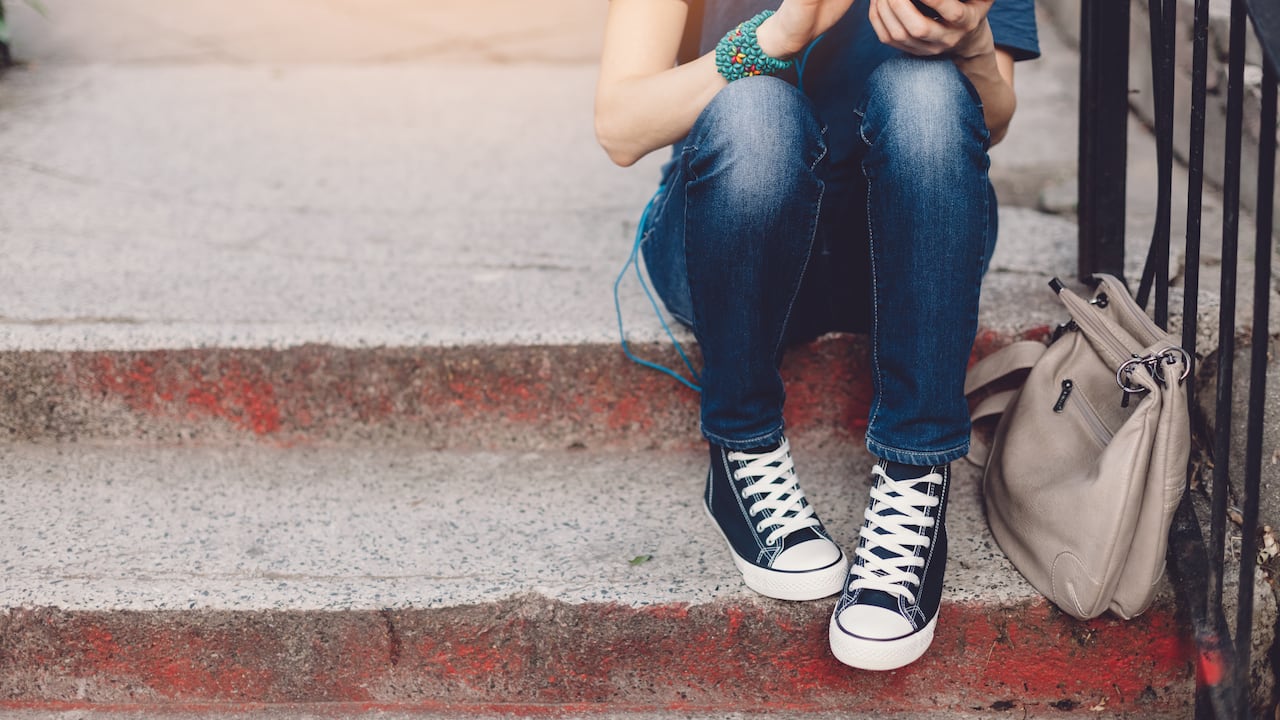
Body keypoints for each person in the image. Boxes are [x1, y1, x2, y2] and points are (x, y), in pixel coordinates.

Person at [595, 0, 1038, 670]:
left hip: (896, 251)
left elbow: (994, 121)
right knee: (756, 113)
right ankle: (741, 444)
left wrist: (970, 39)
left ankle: (916, 474)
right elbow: (621, 127)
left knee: (926, 90)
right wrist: (779, 34)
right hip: (733, 240)